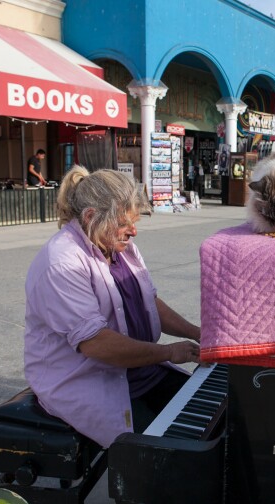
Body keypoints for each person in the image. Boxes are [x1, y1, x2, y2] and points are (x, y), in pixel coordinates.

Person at [23, 166, 201, 448]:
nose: (134, 231)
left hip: (142, 371)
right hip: (91, 383)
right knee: (175, 449)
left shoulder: (118, 244)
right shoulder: (62, 262)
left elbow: (149, 302)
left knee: (209, 418)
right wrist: (168, 351)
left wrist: (198, 332)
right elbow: (96, 344)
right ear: (91, 217)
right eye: (124, 223)